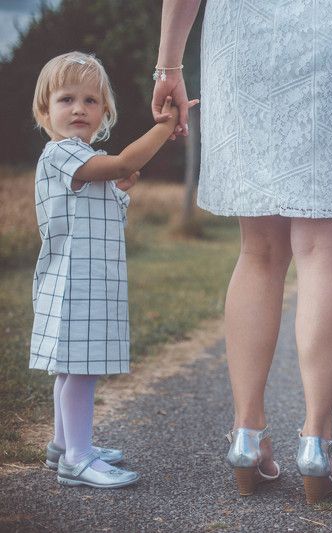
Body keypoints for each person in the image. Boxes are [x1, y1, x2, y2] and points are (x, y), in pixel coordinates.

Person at [151, 0, 332, 503]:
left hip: (244, 44)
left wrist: (168, 67)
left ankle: (247, 435)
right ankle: (315, 443)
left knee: (258, 253)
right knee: (322, 250)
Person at [29, 51, 195, 488]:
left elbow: (104, 200)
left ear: (104, 111)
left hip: (84, 282)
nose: (79, 109)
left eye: (90, 100)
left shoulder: (82, 160)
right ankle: (78, 459)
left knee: (71, 368)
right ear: (45, 111)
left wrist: (119, 189)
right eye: (66, 99)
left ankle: (63, 445)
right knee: (81, 369)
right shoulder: (61, 152)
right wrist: (163, 128)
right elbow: (124, 161)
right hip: (75, 286)